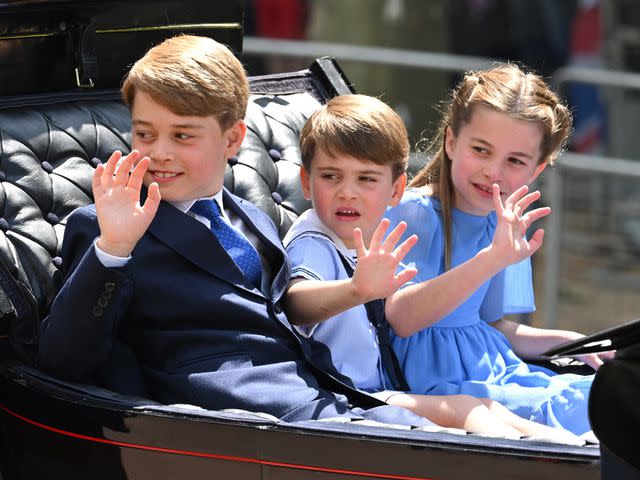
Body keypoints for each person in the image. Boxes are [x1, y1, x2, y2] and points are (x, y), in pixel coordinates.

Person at [36, 34, 434, 427]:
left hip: (327, 397)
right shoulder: (106, 228)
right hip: (238, 420)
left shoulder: (253, 217)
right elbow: (63, 359)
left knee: (470, 437)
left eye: (182, 135)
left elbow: (284, 317)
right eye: (145, 133)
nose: (159, 151)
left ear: (233, 139)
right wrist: (114, 248)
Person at [282, 93, 581, 443]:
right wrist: (356, 289)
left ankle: (575, 450)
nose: (347, 192)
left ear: (394, 189)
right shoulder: (315, 239)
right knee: (465, 409)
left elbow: (492, 324)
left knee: (484, 406)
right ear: (306, 182)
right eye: (331, 176)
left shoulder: (364, 240)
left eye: (365, 179)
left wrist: (574, 343)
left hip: (380, 387)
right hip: (347, 394)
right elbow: (295, 302)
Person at [383, 63, 610, 437]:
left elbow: (495, 327)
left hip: (499, 371)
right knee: (590, 409)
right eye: (481, 150)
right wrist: (492, 258)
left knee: (597, 392)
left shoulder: (504, 221)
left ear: (536, 170)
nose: (493, 171)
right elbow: (403, 319)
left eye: (515, 161)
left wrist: (569, 342)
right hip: (445, 387)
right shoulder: (414, 213)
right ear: (452, 142)